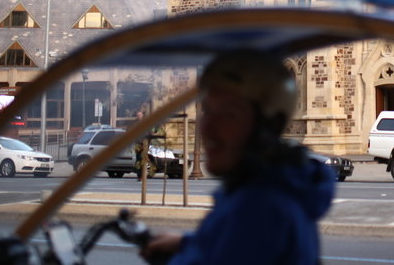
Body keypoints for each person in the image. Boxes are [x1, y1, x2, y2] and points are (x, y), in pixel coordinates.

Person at [140, 49, 335, 264]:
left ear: (268, 126)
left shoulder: (259, 208)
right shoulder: (272, 186)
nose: (208, 128)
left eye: (230, 114)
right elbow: (232, 246)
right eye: (207, 110)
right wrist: (187, 244)